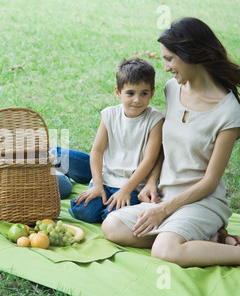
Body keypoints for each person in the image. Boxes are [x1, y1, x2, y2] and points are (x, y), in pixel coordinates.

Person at [101, 17, 240, 267]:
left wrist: (163, 212)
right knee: (112, 226)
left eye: (169, 59)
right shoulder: (171, 89)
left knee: (164, 251)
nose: (165, 67)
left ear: (191, 55)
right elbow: (166, 145)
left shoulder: (229, 112)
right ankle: (208, 241)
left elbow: (210, 181)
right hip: (165, 196)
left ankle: (199, 239)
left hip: (202, 201)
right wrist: (152, 181)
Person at [68, 58, 164, 223]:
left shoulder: (155, 119)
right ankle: (52, 163)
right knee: (83, 211)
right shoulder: (109, 115)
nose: (137, 100)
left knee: (113, 217)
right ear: (118, 92)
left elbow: (150, 159)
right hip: (105, 179)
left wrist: (126, 190)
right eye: (130, 93)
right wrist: (97, 185)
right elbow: (97, 151)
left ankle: (107, 210)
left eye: (144, 93)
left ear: (152, 93)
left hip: (132, 185)